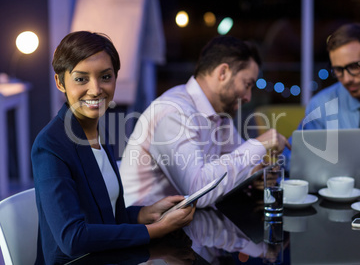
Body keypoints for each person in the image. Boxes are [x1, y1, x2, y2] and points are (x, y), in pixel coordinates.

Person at [31, 31, 196, 264]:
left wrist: (145, 213)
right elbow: (72, 238)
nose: (96, 89)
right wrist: (156, 229)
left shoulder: (97, 132)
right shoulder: (50, 145)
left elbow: (103, 216)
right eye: (81, 79)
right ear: (60, 82)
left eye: (105, 77)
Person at [119, 36, 290, 208]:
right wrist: (259, 144)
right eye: (247, 84)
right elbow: (198, 192)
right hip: (144, 226)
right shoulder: (174, 112)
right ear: (223, 73)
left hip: (185, 222)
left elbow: (234, 166)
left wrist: (254, 175)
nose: (248, 97)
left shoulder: (218, 114)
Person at [290, 23, 360, 181]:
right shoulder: (322, 104)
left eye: (354, 66)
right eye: (338, 70)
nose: (347, 79)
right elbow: (294, 158)